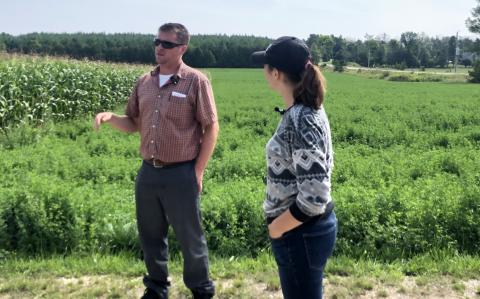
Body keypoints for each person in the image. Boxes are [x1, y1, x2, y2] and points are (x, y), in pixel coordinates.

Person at [93, 23, 218, 299]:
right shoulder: (144, 82)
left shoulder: (195, 81)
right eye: (157, 42)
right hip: (148, 173)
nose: (159, 48)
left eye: (167, 44)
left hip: (181, 172)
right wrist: (111, 118)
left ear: (182, 48)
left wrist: (198, 171)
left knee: (190, 237)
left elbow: (211, 128)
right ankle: (157, 288)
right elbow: (134, 122)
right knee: (150, 235)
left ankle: (201, 289)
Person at [251, 36, 337, 299]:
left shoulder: (302, 119)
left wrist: (278, 227)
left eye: (265, 66)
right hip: (303, 232)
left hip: (300, 234)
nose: (264, 72)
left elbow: (315, 196)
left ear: (276, 73)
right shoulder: (305, 111)